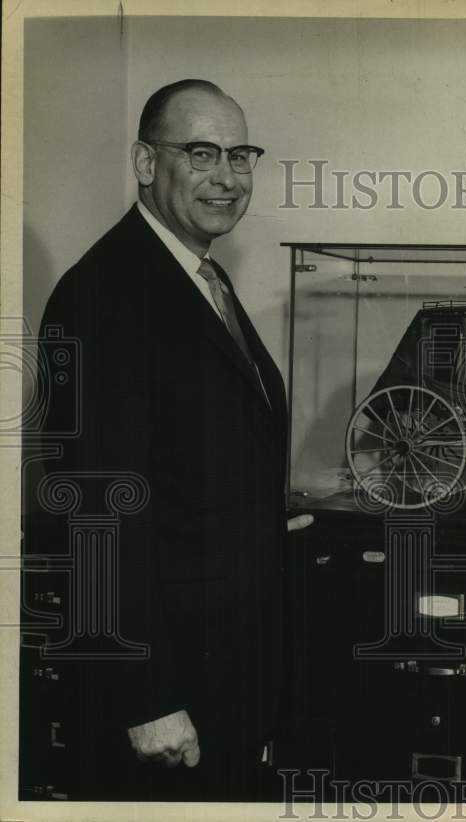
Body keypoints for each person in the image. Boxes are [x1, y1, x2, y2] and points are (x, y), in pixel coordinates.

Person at [35, 79, 312, 801]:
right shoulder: (106, 292)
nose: (227, 176)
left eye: (240, 154)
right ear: (145, 162)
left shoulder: (200, 277)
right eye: (200, 152)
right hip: (167, 698)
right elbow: (94, 512)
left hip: (228, 678)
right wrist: (145, 698)